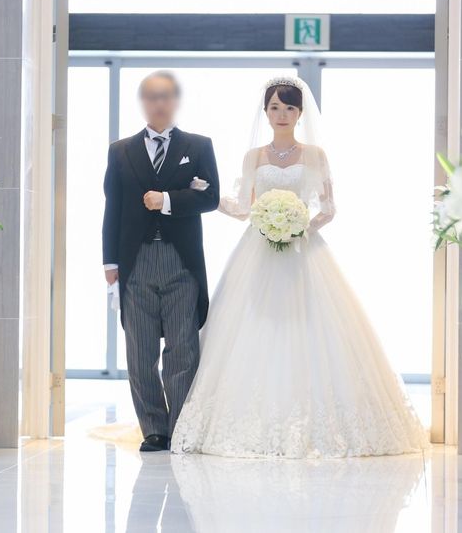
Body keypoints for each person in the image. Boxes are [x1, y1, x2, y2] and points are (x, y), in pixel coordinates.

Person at [170, 76, 429, 458]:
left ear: (300, 112)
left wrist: (298, 227)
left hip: (303, 251)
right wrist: (209, 196)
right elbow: (243, 209)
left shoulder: (315, 155)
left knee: (314, 327)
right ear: (265, 112)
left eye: (289, 107)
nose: (282, 114)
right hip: (257, 250)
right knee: (251, 328)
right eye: (275, 107)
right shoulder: (253, 157)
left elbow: (328, 209)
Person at [102, 70, 220, 452]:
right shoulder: (120, 150)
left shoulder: (197, 146)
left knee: (183, 348)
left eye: (166, 96)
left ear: (176, 101)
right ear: (142, 102)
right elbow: (113, 208)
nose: (159, 103)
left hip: (180, 260)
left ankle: (180, 427)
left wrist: (168, 200)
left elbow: (210, 197)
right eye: (151, 96)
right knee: (140, 350)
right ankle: (154, 428)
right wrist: (109, 263)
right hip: (135, 260)